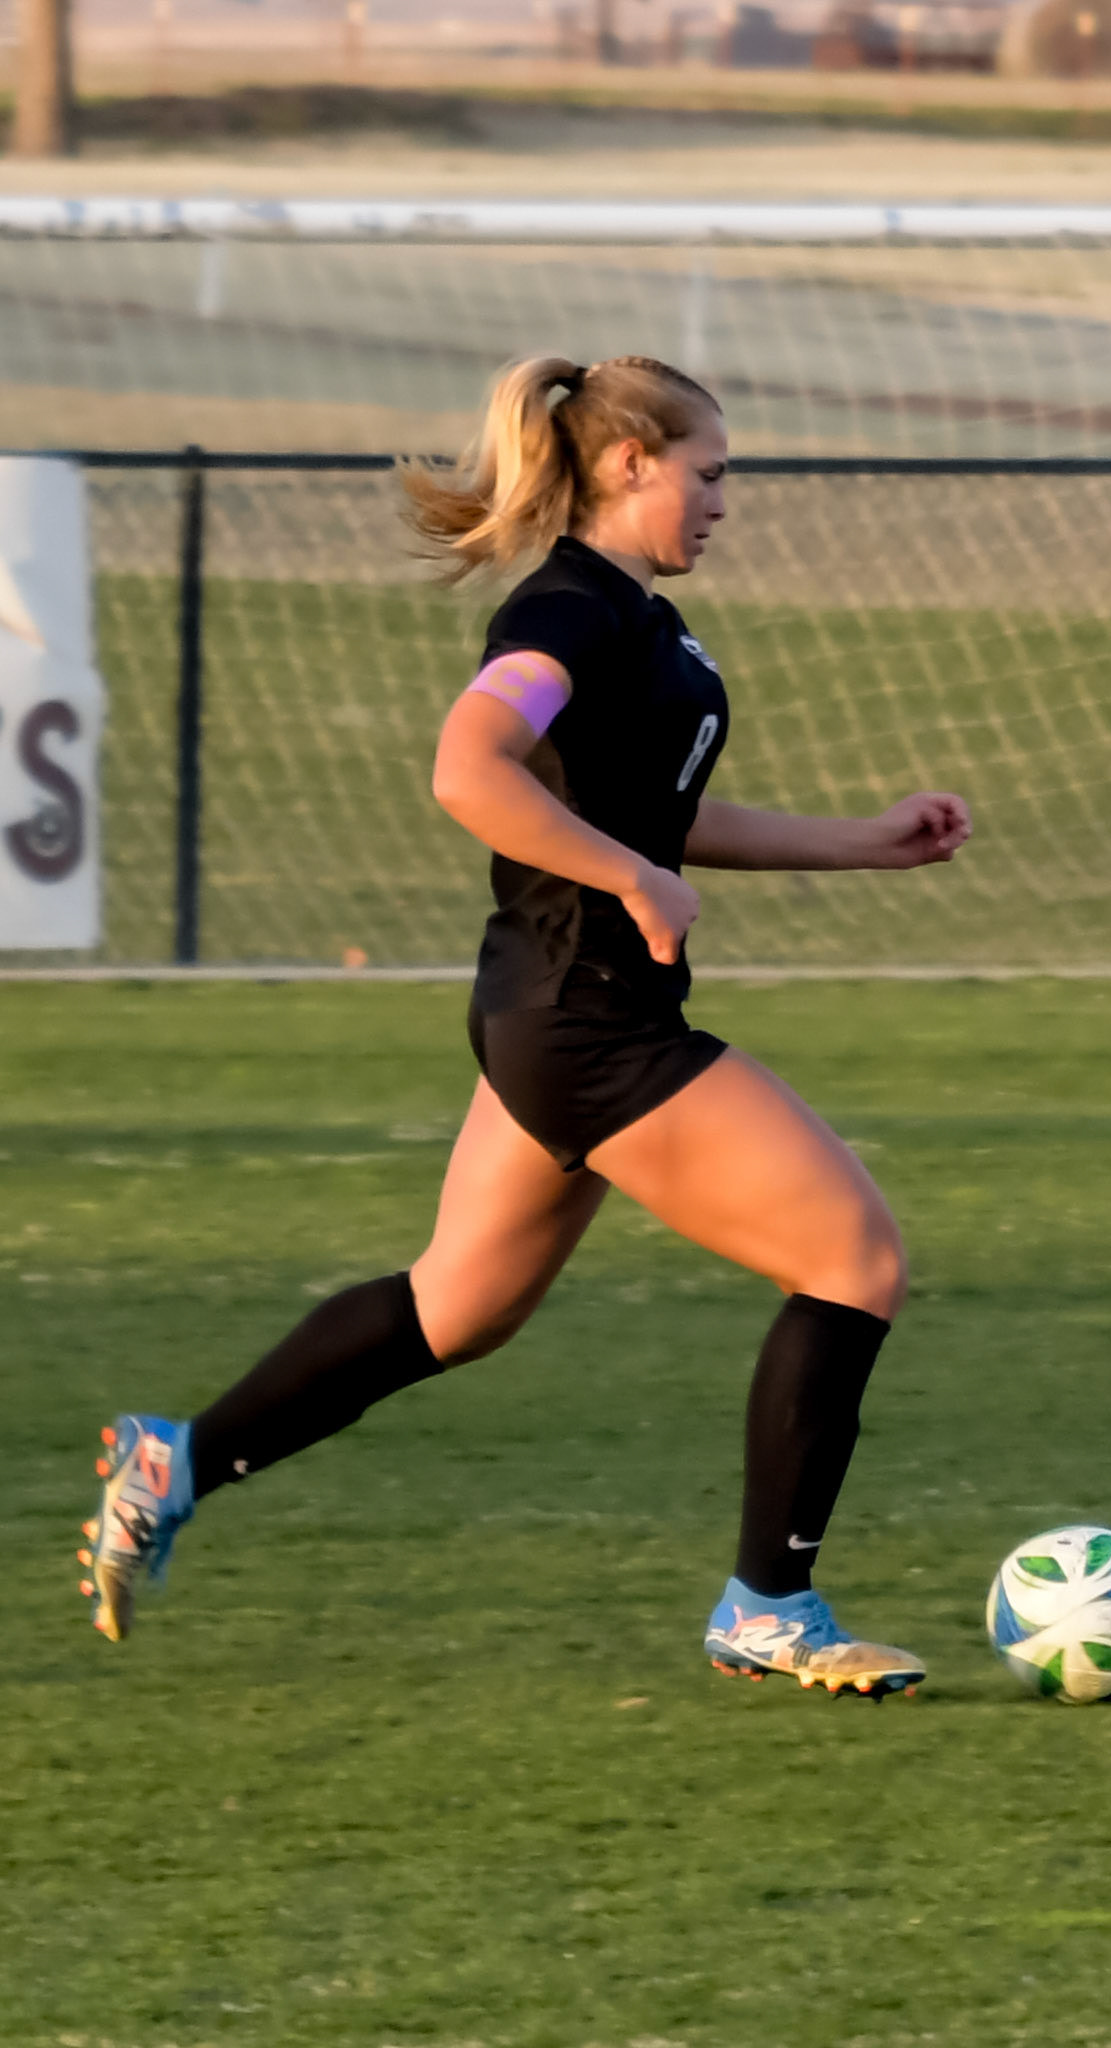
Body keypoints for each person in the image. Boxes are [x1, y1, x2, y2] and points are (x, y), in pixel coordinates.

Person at [79, 353, 972, 1699]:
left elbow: (651, 819)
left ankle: (178, 1462)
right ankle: (769, 1607)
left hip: (548, 1010)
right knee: (854, 1260)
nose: (723, 501)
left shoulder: (640, 620)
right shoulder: (567, 612)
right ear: (629, 464)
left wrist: (865, 842)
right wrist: (629, 880)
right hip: (588, 1023)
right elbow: (467, 768)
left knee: (455, 1309)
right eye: (709, 473)